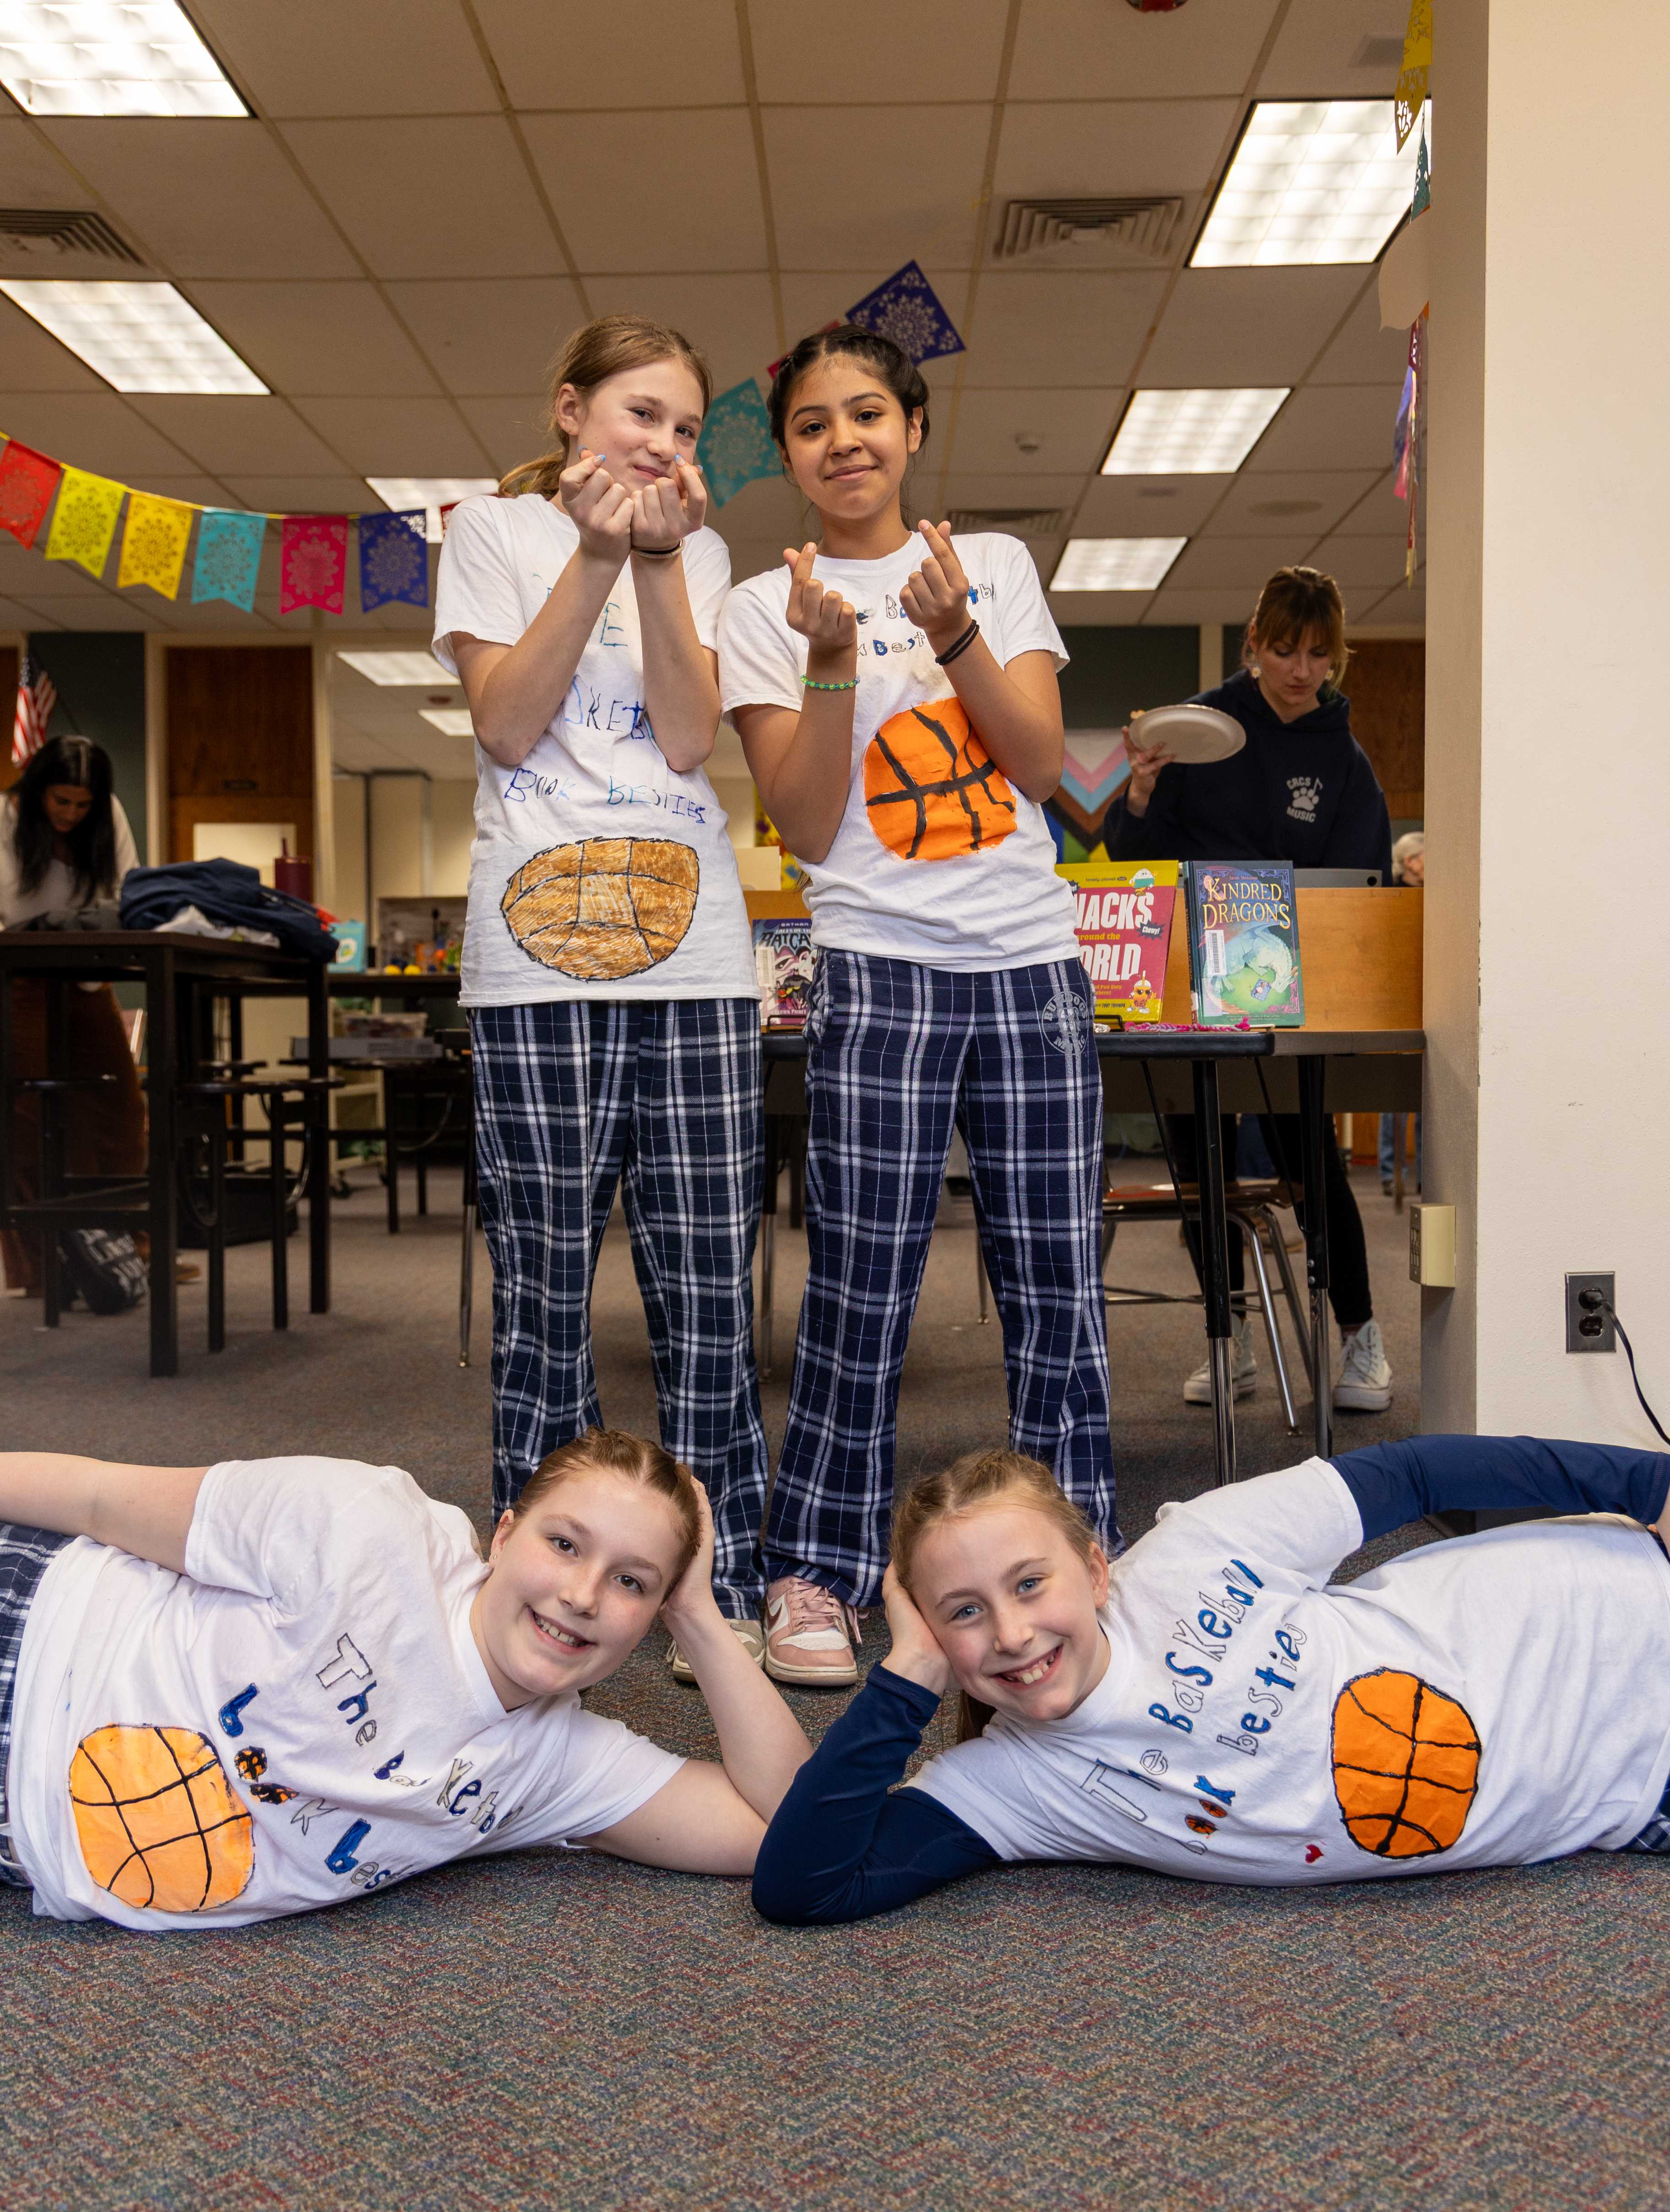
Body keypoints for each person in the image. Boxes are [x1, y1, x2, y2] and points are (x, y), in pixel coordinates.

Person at [719, 323, 1118, 1690]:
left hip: (1026, 964)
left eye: (868, 412)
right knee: (862, 1287)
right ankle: (815, 1572)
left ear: (914, 425)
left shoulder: (988, 567)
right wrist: (829, 660)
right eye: (815, 424)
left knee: (1055, 1282)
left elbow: (1040, 760)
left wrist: (951, 630)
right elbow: (810, 822)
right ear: (786, 454)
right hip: (879, 970)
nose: (845, 441)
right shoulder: (755, 603)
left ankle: (1083, 1557)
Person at [434, 315, 770, 1678]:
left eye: (686, 428)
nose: (665, 445)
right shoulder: (491, 533)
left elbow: (692, 738)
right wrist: (593, 553)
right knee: (547, 1282)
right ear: (571, 411)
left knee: (705, 1284)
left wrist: (661, 560)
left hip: (690, 949)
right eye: (642, 415)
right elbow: (510, 724)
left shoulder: (703, 548)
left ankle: (711, 1584)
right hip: (535, 958)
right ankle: (539, 1593)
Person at [752, 1436, 1670, 1924]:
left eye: (1031, 1583)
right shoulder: (1013, 1787)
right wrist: (905, 1676)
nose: (1013, 1633)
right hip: (1635, 1793)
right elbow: (802, 1885)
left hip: (1611, 1609)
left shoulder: (1195, 1552)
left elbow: (1413, 1472)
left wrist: (1650, 1484)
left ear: (1098, 1569)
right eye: (961, 1613)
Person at [0, 1428, 811, 1931]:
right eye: (564, 1543)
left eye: (633, 1583)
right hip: (38, 1633)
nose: (582, 1594)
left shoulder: (556, 1765)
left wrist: (701, 1619)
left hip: (22, 1837)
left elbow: (798, 1830)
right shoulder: (366, 1525)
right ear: (503, 1534)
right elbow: (99, 1494)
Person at [1105, 567, 1394, 1414]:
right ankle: (1225, 1339)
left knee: (1314, 1166)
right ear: (1251, 647)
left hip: (1291, 994)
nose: (1299, 670)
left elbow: (1360, 883)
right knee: (1204, 1171)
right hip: (1194, 987)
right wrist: (1143, 788)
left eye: (1316, 655)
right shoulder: (1198, 728)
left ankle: (1360, 1335)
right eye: (1282, 650)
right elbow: (1133, 856)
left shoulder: (1341, 757)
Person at [0, 735, 144, 1296]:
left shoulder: (108, 813)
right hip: (18, 977)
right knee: (29, 1118)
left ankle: (132, 1251)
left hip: (85, 974)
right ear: (38, 792)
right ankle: (44, 1269)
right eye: (60, 801)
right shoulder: (7, 817)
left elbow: (129, 888)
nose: (70, 814)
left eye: (81, 805)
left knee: (121, 1108)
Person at [1380, 831, 1424, 1194]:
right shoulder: (1389, 894)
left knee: (1426, 1096)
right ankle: (1388, 1172)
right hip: (1395, 996)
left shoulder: (1437, 894)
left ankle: (1428, 1172)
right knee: (1393, 1097)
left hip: (1428, 997)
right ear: (1410, 861)